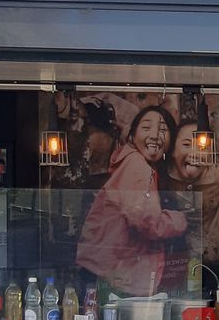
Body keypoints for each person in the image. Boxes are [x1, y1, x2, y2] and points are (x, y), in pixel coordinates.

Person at [76, 105, 187, 296]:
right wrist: (180, 220)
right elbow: (147, 222)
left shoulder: (130, 162)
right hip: (114, 274)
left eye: (163, 130)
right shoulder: (138, 166)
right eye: (146, 128)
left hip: (104, 270)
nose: (154, 135)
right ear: (132, 137)